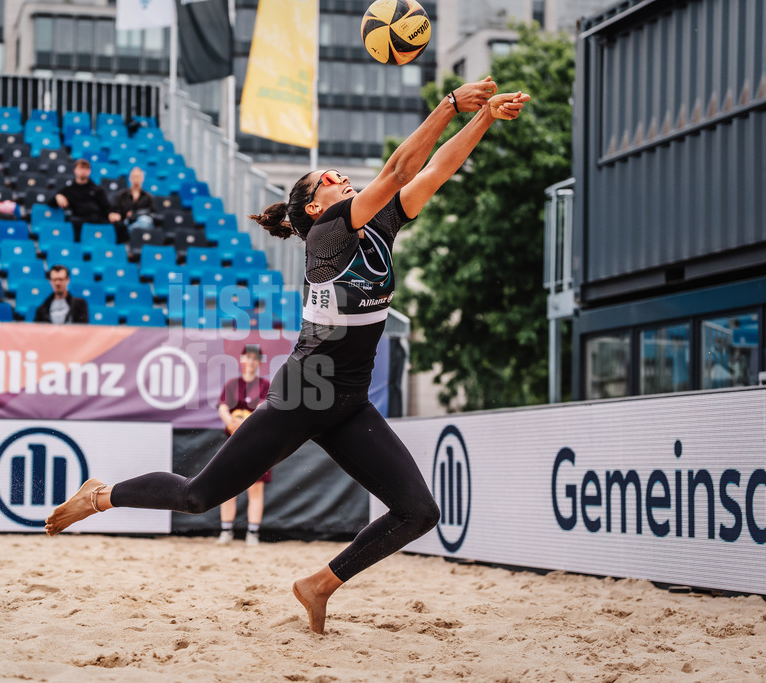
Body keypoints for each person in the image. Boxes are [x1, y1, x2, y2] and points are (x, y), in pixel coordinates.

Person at [44, 79, 530, 635]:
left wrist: (485, 118)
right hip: (306, 393)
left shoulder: (379, 228)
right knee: (198, 495)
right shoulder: (326, 235)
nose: (343, 177)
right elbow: (398, 170)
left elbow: (433, 172)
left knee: (419, 513)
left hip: (347, 401)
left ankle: (319, 584)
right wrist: (448, 104)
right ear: (316, 205)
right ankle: (102, 495)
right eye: (331, 178)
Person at [215, 344, 272, 547]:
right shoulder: (232, 384)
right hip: (233, 441)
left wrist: (243, 424)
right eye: (248, 357)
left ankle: (252, 533)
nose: (251, 361)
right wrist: (231, 422)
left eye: (255, 358)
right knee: (226, 487)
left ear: (259, 362)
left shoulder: (265, 385)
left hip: (256, 443)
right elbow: (223, 407)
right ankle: (226, 531)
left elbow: (262, 409)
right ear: (242, 360)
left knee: (255, 489)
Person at [52, 159, 115, 241]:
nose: (83, 171)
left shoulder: (97, 189)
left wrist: (111, 213)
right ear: (75, 170)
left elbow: (106, 207)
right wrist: (58, 196)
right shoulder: (69, 189)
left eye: (86, 168)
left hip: (96, 219)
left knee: (117, 225)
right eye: (81, 168)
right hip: (78, 220)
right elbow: (51, 203)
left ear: (89, 171)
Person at [110, 166, 156, 243]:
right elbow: (116, 211)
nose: (136, 179)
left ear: (142, 178)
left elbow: (152, 213)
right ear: (130, 178)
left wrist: (134, 215)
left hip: (142, 225)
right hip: (125, 224)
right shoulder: (121, 195)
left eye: (138, 176)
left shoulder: (148, 197)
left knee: (145, 220)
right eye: (134, 176)